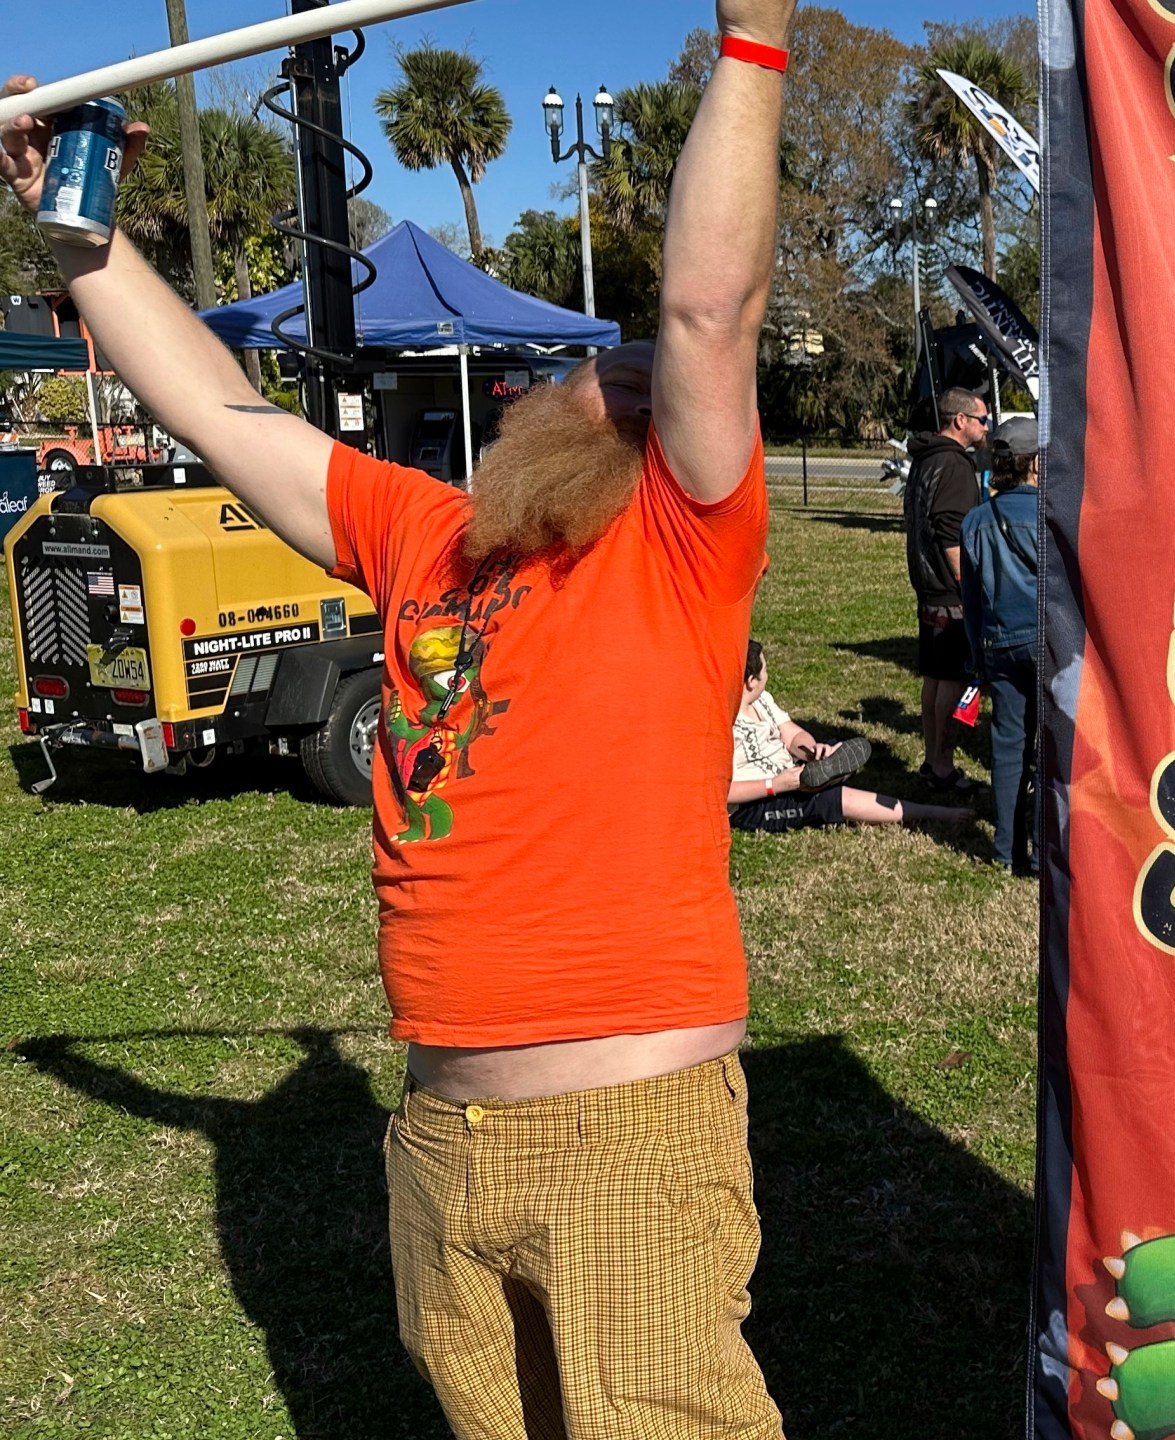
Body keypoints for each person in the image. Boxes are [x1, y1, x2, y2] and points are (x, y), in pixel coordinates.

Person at [5, 3, 799, 1433]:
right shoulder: (429, 537)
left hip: (626, 1137)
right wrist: (82, 238)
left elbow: (703, 313)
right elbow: (219, 412)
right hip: (441, 1139)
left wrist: (751, 43)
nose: (628, 381)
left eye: (650, 388)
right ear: (523, 411)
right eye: (594, 374)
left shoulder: (679, 548)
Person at [729, 640, 968, 830]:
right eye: (766, 669)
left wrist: (814, 750)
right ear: (751, 681)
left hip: (790, 772)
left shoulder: (762, 699)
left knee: (834, 749)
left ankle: (819, 774)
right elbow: (722, 791)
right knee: (832, 800)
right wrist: (777, 785)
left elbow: (791, 735)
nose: (768, 674)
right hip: (755, 803)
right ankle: (930, 812)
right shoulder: (722, 725)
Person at [961, 417, 1042, 876]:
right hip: (1047, 645)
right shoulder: (1050, 513)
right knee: (1050, 748)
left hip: (996, 644)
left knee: (1008, 748)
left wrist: (977, 658)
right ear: (1033, 464)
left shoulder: (975, 520)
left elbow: (970, 600)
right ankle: (1044, 848)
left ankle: (1006, 852)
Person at [903, 387, 990, 794]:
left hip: (926, 584)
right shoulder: (954, 465)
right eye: (982, 420)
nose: (986, 428)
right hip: (948, 590)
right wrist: (967, 584)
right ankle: (941, 765)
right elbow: (950, 532)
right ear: (960, 421)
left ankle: (933, 761)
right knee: (952, 680)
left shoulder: (926, 457)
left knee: (936, 677)